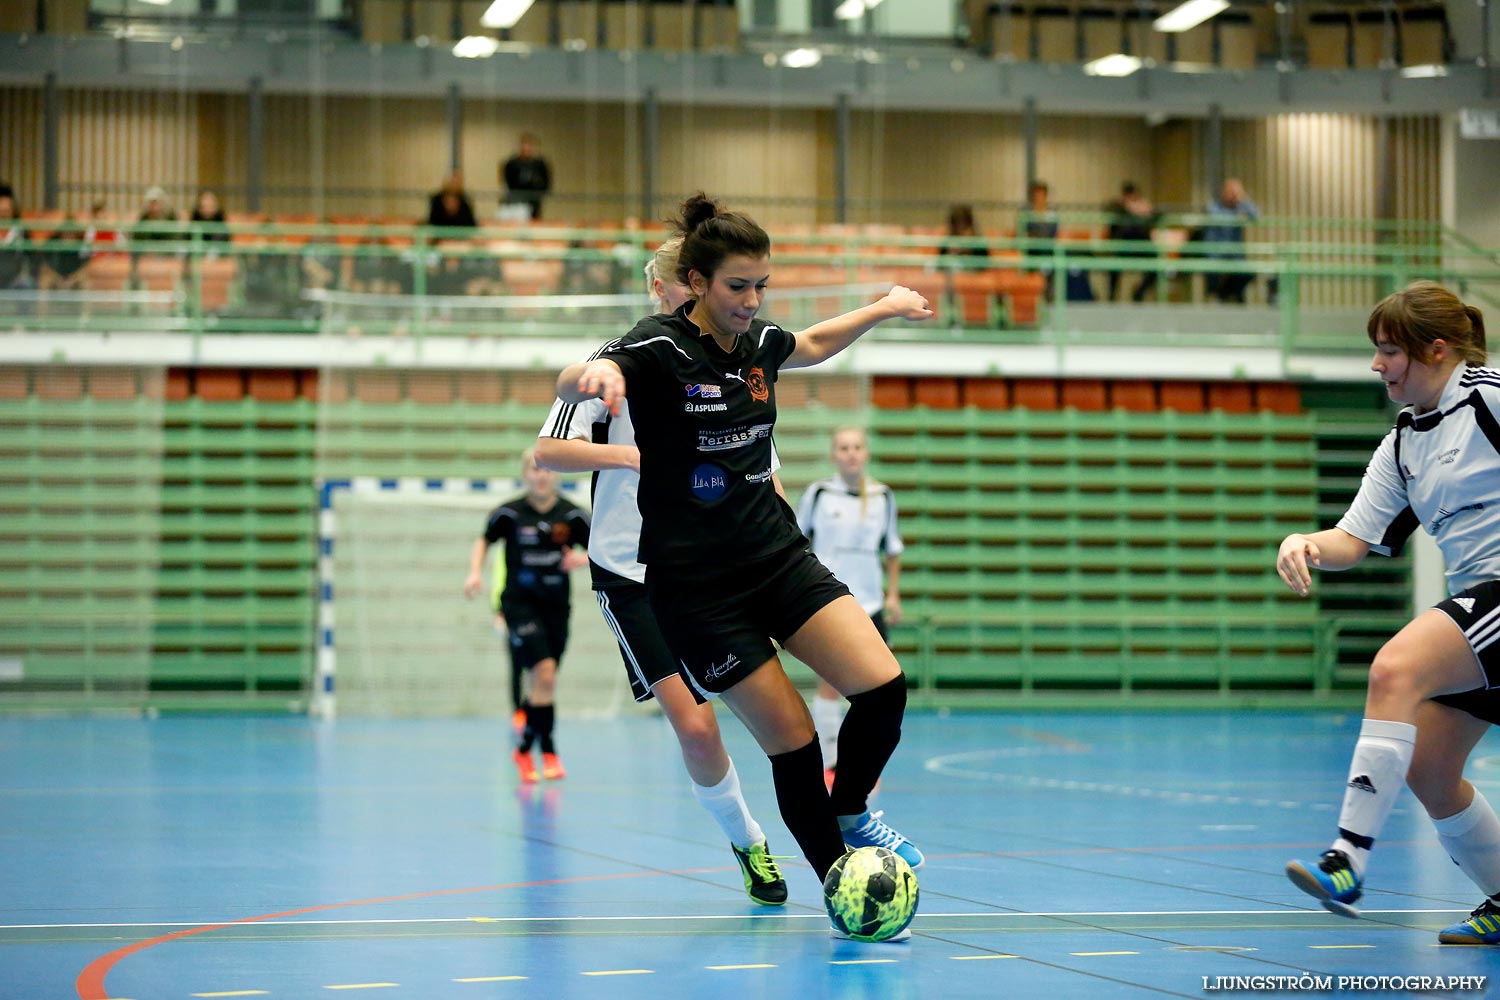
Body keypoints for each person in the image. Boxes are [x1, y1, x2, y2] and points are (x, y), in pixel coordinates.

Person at [554, 194, 933, 927]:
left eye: (762, 286)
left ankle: (852, 812)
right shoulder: (655, 347)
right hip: (697, 592)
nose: (752, 301)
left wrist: (883, 306)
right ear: (695, 282)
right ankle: (842, 885)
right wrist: (590, 380)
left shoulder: (758, 342)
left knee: (882, 688)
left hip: (777, 558)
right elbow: (576, 377)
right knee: (791, 743)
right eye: (738, 287)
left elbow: (816, 343)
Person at [532, 236, 789, 906]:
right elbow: (548, 450)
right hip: (633, 572)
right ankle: (749, 843)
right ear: (671, 287)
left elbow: (766, 472)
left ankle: (836, 823)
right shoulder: (614, 361)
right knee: (698, 725)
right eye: (685, 283)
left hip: (716, 565)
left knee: (776, 715)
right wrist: (626, 458)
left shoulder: (739, 361)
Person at [1279, 282, 1500, 946]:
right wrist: (1306, 544)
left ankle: (1346, 859)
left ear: (1436, 351)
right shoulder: (1404, 442)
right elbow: (1355, 538)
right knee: (1429, 767)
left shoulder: (1490, 398)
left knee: (1395, 668)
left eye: (1387, 352)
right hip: (1482, 615)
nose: (1377, 366)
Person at [463, 451, 590, 784]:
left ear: (557, 474)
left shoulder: (573, 515)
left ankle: (525, 749)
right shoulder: (509, 513)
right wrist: (474, 573)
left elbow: (603, 545)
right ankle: (547, 749)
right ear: (525, 475)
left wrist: (583, 560)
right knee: (544, 672)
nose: (541, 475)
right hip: (519, 605)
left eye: (547, 469)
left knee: (543, 683)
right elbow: (484, 539)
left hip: (556, 606)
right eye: (535, 469)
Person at [796, 427, 905, 792]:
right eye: (843, 447)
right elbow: (798, 541)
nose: (851, 454)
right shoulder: (819, 494)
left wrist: (893, 596)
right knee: (829, 684)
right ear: (834, 455)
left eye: (857, 447)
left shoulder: (883, 497)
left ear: (866, 454)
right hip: (830, 600)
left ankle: (862, 765)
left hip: (870, 601)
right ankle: (830, 763)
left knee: (877, 687)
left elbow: (892, 549)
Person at [1201, 177, 1259, 303]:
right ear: (1224, 192)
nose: (1232, 195)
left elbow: (1256, 216)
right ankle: (1215, 295)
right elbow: (1220, 220)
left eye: (1235, 192)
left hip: (1235, 254)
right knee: (1212, 270)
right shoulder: (1213, 206)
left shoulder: (1241, 206)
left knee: (1248, 274)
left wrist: (1244, 199)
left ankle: (1223, 295)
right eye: (1230, 191)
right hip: (1216, 253)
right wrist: (1237, 216)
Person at [1103, 182, 1159, 302]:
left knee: (1157, 267)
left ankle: (1139, 292)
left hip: (1142, 249)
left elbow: (1158, 217)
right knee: (1113, 267)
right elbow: (1107, 210)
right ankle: (1111, 299)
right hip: (1121, 249)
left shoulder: (1144, 208)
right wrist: (1127, 208)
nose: (1132, 198)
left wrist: (1148, 211)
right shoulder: (1117, 207)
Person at [500, 134, 551, 220]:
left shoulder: (539, 164)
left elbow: (546, 183)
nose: (527, 148)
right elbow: (508, 181)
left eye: (530, 146)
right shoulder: (512, 164)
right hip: (516, 202)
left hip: (534, 201)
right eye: (525, 145)